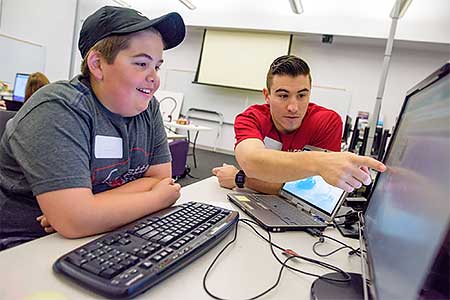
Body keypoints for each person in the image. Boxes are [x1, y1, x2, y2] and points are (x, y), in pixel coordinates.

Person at [0, 6, 186, 250]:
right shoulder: (57, 108)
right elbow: (75, 221)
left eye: (157, 66)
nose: (155, 78)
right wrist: (157, 199)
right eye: (141, 64)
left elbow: (160, 178)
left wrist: (89, 211)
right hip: (25, 245)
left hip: (98, 235)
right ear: (98, 64)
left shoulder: (149, 109)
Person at [212, 55, 385, 194]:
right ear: (267, 95)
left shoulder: (327, 121)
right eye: (283, 95)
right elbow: (251, 162)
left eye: (302, 95)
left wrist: (241, 179)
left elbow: (313, 191)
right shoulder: (251, 118)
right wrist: (320, 163)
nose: (293, 107)